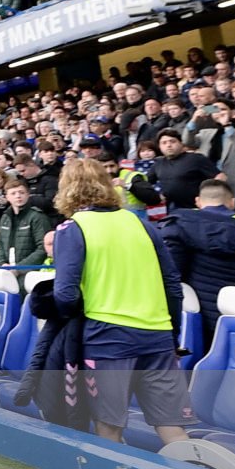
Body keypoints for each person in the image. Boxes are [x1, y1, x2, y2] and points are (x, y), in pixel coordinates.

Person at [52, 159, 193, 447]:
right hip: (157, 336)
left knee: (109, 429)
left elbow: (65, 295)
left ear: (66, 188)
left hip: (108, 339)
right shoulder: (141, 224)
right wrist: (172, 336)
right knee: (173, 431)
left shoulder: (72, 228)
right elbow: (172, 287)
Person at [158, 178, 235, 350]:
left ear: (198, 202)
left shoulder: (179, 225)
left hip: (200, 317)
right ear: (232, 203)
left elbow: (174, 272)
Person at [0, 177, 56, 268]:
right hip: (7, 270)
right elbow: (0, 245)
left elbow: (43, 248)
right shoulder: (5, 218)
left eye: (21, 192)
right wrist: (2, 264)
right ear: (7, 197)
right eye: (13, 193)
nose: (18, 196)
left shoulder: (37, 217)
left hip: (31, 272)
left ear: (28, 195)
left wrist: (20, 268)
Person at [147, 129, 220, 210]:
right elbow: (145, 182)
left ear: (181, 143)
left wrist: (213, 199)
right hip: (170, 210)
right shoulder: (158, 163)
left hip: (195, 209)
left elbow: (220, 177)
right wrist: (156, 196)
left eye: (172, 141)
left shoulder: (195, 158)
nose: (168, 145)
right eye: (164, 143)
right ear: (159, 147)